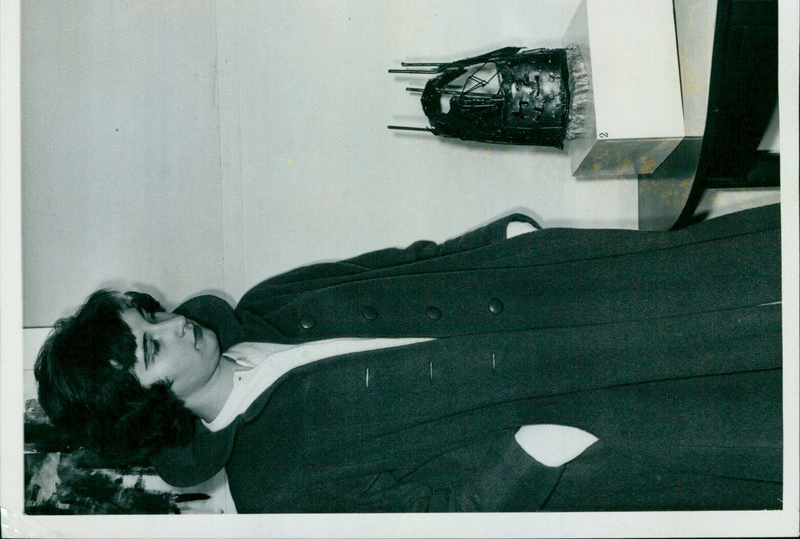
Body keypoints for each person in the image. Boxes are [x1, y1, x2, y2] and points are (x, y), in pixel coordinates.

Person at [35, 203, 782, 512]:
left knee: (752, 270)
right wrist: (527, 460)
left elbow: (390, 265)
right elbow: (428, 516)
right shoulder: (271, 484)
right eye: (149, 347)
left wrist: (494, 242)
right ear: (140, 407)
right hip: (570, 417)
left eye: (151, 313)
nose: (172, 326)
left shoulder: (263, 302)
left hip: (558, 290)